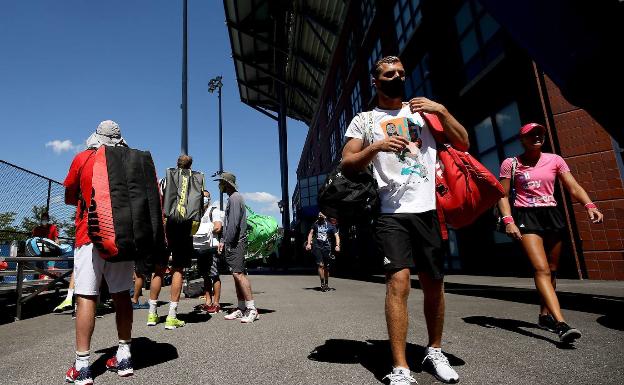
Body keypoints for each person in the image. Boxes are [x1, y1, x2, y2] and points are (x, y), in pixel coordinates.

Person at [341, 56, 469, 385]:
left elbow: (464, 142)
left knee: (433, 285)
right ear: (376, 82)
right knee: (398, 284)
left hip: (428, 210)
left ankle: (434, 351)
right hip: (390, 213)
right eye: (388, 74)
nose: (396, 77)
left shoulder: (423, 111)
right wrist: (378, 146)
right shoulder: (365, 119)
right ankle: (401, 367)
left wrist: (440, 110)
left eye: (400, 73)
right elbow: (347, 163)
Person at [497, 122, 603, 343]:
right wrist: (509, 220)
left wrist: (590, 206)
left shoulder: (555, 160)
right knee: (542, 269)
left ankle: (544, 316)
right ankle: (561, 324)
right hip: (526, 216)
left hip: (552, 214)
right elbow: (503, 195)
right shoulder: (511, 163)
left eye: (540, 134)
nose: (537, 137)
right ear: (522, 140)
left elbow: (572, 186)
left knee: (553, 269)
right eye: (531, 134)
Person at [63, 120, 134, 384]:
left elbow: (71, 196)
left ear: (97, 137)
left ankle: (82, 366)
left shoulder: (83, 158)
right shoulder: (129, 161)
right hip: (123, 238)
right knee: (121, 295)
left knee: (86, 297)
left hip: (89, 233)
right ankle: (124, 354)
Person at [146, 155, 196, 330]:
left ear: (176, 164)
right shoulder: (194, 181)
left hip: (164, 226)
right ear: (190, 166)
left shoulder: (164, 180)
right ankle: (172, 316)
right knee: (178, 269)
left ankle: (152, 314)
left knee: (158, 270)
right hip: (183, 228)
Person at [215, 172, 259, 323]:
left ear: (227, 183)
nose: (219, 185)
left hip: (236, 242)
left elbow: (233, 224)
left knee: (239, 274)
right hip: (233, 242)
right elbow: (229, 224)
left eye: (221, 182)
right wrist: (223, 240)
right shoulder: (234, 198)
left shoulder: (235, 198)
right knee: (236, 274)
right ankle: (241, 308)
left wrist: (227, 241)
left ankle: (252, 309)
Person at [193, 190, 224, 313]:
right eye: (202, 197)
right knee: (205, 275)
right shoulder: (196, 212)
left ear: (209, 199)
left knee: (214, 275)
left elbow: (218, 227)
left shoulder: (214, 211)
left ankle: (216, 303)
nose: (203, 199)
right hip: (200, 248)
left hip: (212, 248)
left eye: (206, 197)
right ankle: (208, 301)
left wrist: (204, 230)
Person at [305, 212, 340, 292]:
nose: (319, 216)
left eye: (321, 215)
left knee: (326, 267)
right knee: (321, 265)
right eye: (319, 215)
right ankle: (322, 284)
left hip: (327, 247)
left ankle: (327, 283)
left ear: (325, 216)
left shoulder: (330, 225)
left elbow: (336, 236)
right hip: (317, 246)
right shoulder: (315, 224)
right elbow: (310, 234)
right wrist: (309, 243)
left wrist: (337, 245)